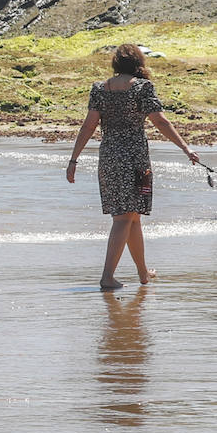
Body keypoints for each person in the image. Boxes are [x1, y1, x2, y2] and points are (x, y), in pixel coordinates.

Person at [65, 44, 202, 290]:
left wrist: (73, 159)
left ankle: (143, 273)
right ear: (139, 63)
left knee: (133, 217)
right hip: (135, 158)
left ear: (116, 64)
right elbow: (160, 120)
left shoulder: (100, 88)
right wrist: (185, 148)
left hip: (109, 157)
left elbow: (88, 126)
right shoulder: (142, 87)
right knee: (122, 218)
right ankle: (107, 276)